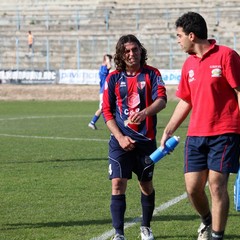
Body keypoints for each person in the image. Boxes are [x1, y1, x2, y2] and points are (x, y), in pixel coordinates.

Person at [160, 12, 240, 240]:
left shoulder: (227, 55)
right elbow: (186, 100)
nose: (178, 40)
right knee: (193, 188)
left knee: (216, 186)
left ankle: (217, 235)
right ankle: (207, 220)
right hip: (196, 135)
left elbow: (239, 91)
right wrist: (168, 130)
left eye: (179, 35)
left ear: (192, 35)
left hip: (225, 132)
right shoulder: (188, 64)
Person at [102, 34, 167, 240]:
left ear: (141, 50)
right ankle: (119, 234)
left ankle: (145, 227)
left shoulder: (152, 74)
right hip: (120, 142)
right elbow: (107, 111)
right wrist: (120, 137)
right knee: (118, 183)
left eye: (135, 49)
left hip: (146, 143)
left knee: (146, 185)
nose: (132, 54)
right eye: (127, 51)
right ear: (121, 54)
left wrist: (146, 112)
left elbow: (162, 100)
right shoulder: (113, 78)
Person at [88, 54, 113, 130]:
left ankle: (93, 122)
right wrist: (107, 59)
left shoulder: (102, 68)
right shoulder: (103, 68)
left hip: (105, 91)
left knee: (106, 107)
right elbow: (109, 66)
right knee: (102, 108)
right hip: (104, 91)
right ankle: (92, 122)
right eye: (109, 60)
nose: (110, 62)